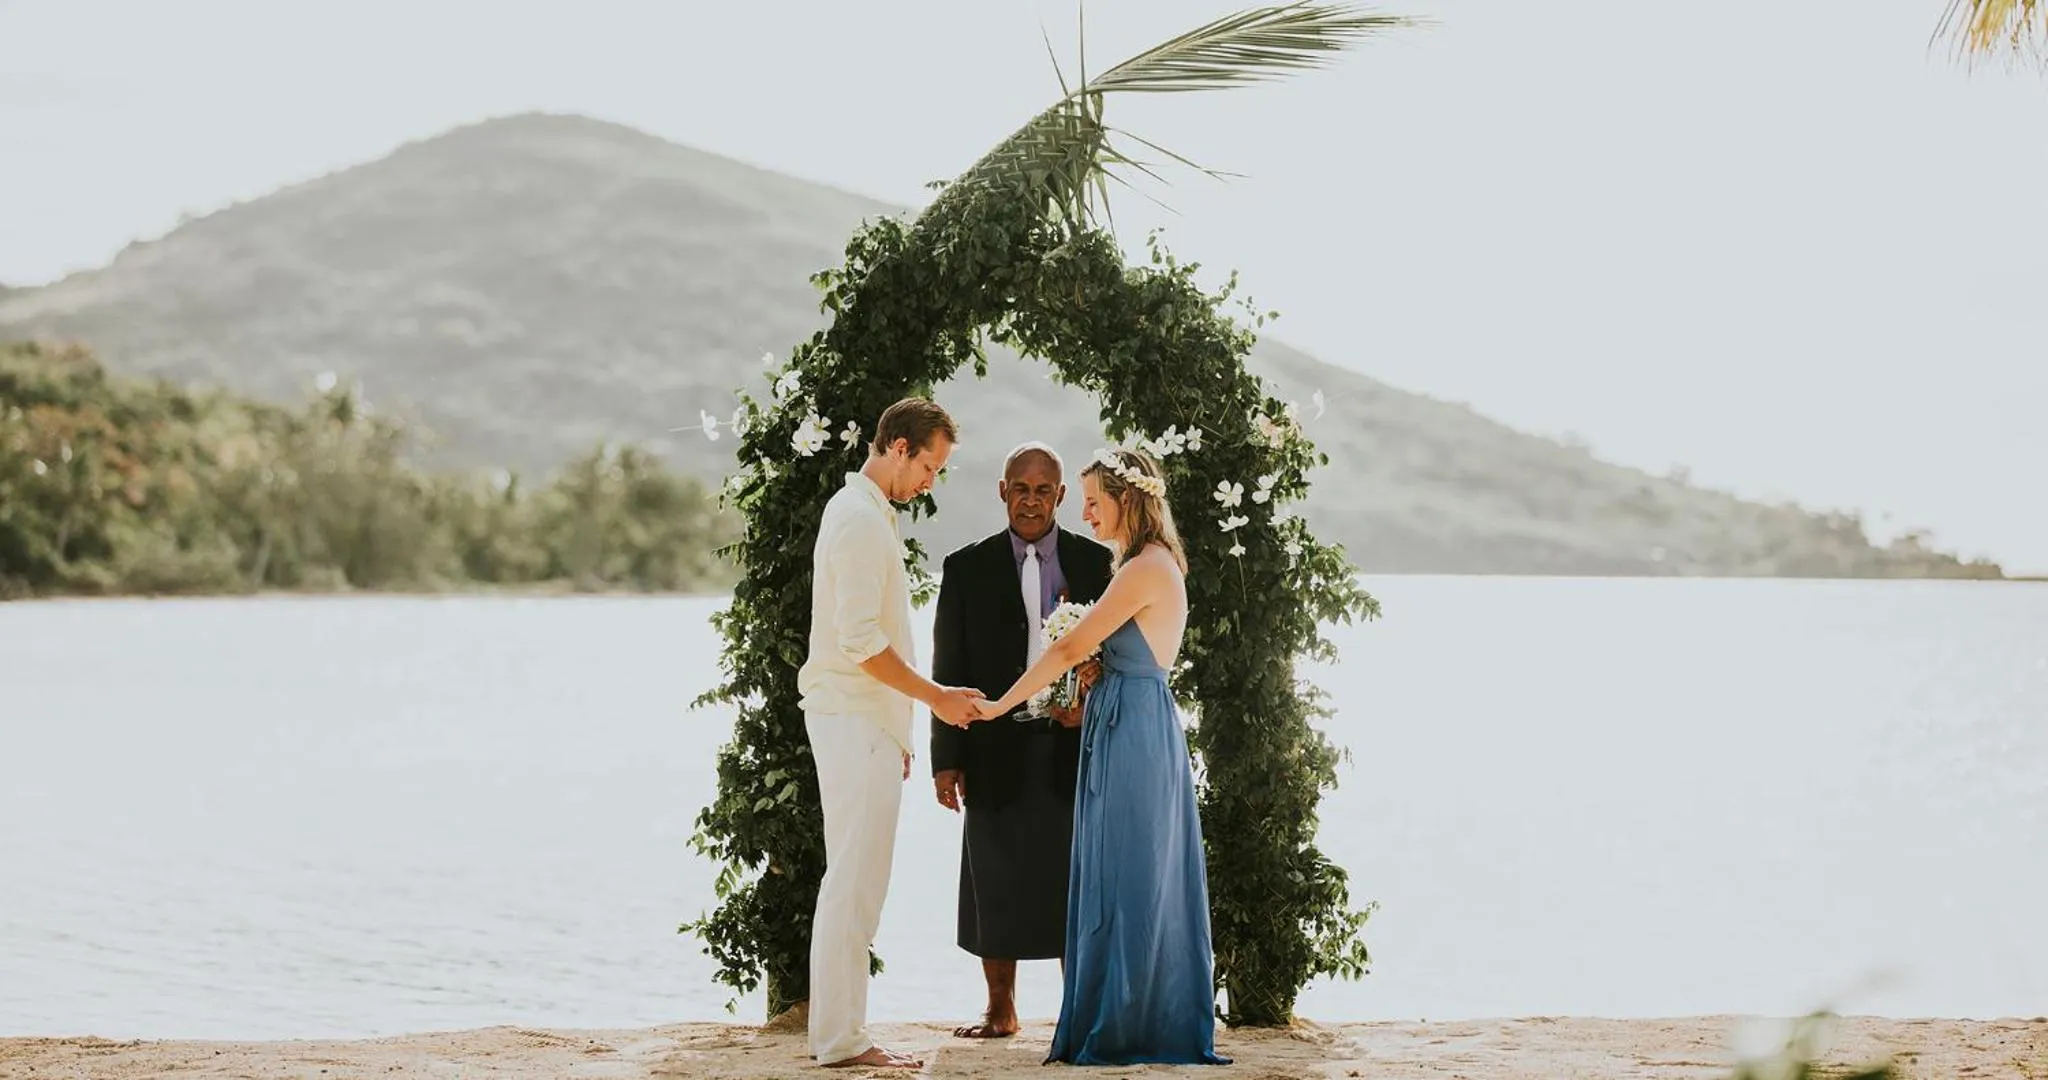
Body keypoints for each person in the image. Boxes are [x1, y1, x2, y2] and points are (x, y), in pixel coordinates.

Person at [969, 446, 1230, 1067]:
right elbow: (1098, 653)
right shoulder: (1139, 563)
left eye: (1092, 500)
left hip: (1135, 730)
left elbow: (1066, 651)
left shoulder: (1144, 567)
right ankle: (1123, 1013)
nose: (1083, 513)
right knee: (1118, 869)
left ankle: (1128, 1023)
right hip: (1122, 723)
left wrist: (1002, 704)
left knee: (1132, 872)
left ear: (1125, 498)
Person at [796, 396, 986, 1070]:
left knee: (857, 881)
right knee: (853, 884)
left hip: (865, 722)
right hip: (851, 719)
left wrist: (898, 729)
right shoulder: (857, 521)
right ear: (899, 447)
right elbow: (859, 643)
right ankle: (843, 1042)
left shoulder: (867, 515)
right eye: (931, 466)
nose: (932, 481)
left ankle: (837, 1035)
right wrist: (936, 700)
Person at [929, 442, 1114, 1039]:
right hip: (992, 746)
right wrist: (945, 759)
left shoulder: (1098, 564)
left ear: (1060, 497)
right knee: (995, 876)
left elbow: (1116, 654)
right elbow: (947, 664)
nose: (1031, 501)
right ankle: (999, 1008)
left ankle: (1076, 1010)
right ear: (1002, 490)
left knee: (1072, 877)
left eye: (1043, 491)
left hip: (1073, 745)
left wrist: (1088, 705)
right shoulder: (966, 567)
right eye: (1020, 488)